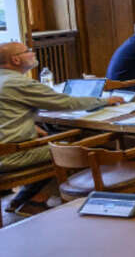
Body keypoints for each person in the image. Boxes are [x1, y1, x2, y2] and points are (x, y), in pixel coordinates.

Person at [0, 42, 121, 210]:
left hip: (6, 150)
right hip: (11, 156)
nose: (32, 53)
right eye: (27, 51)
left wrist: (30, 125)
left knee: (50, 141)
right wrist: (104, 101)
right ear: (15, 59)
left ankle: (27, 200)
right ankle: (94, 203)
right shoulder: (18, 83)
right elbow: (66, 103)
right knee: (69, 149)